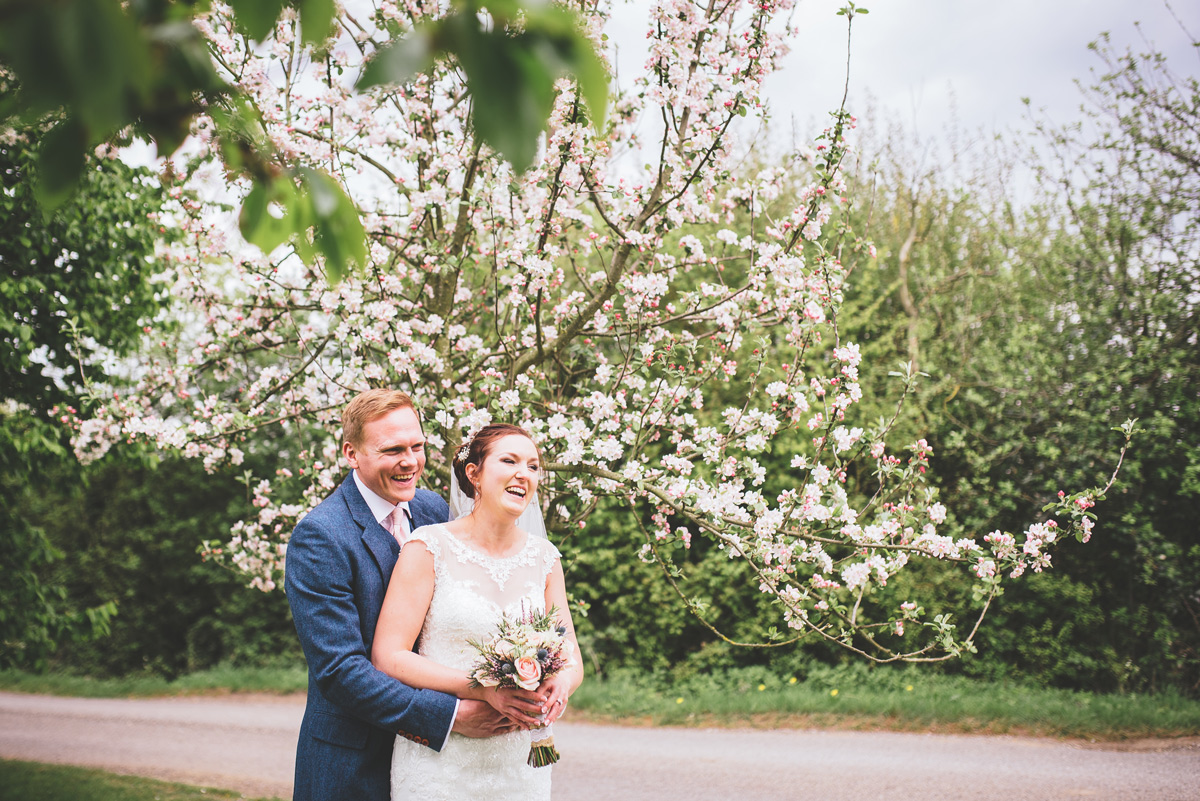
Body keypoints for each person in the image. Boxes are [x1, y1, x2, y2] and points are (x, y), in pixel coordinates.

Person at [285, 390, 517, 801]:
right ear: (351, 454)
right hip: (356, 764)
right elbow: (340, 670)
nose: (410, 461)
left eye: (417, 446)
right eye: (392, 450)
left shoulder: (432, 509)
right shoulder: (320, 536)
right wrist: (450, 716)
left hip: (442, 767)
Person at [371, 423, 584, 800]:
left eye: (534, 466)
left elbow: (569, 655)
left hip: (520, 765)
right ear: (474, 474)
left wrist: (559, 686)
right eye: (510, 460)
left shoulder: (545, 559)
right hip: (442, 762)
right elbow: (389, 656)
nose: (525, 474)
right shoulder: (428, 547)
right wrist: (484, 690)